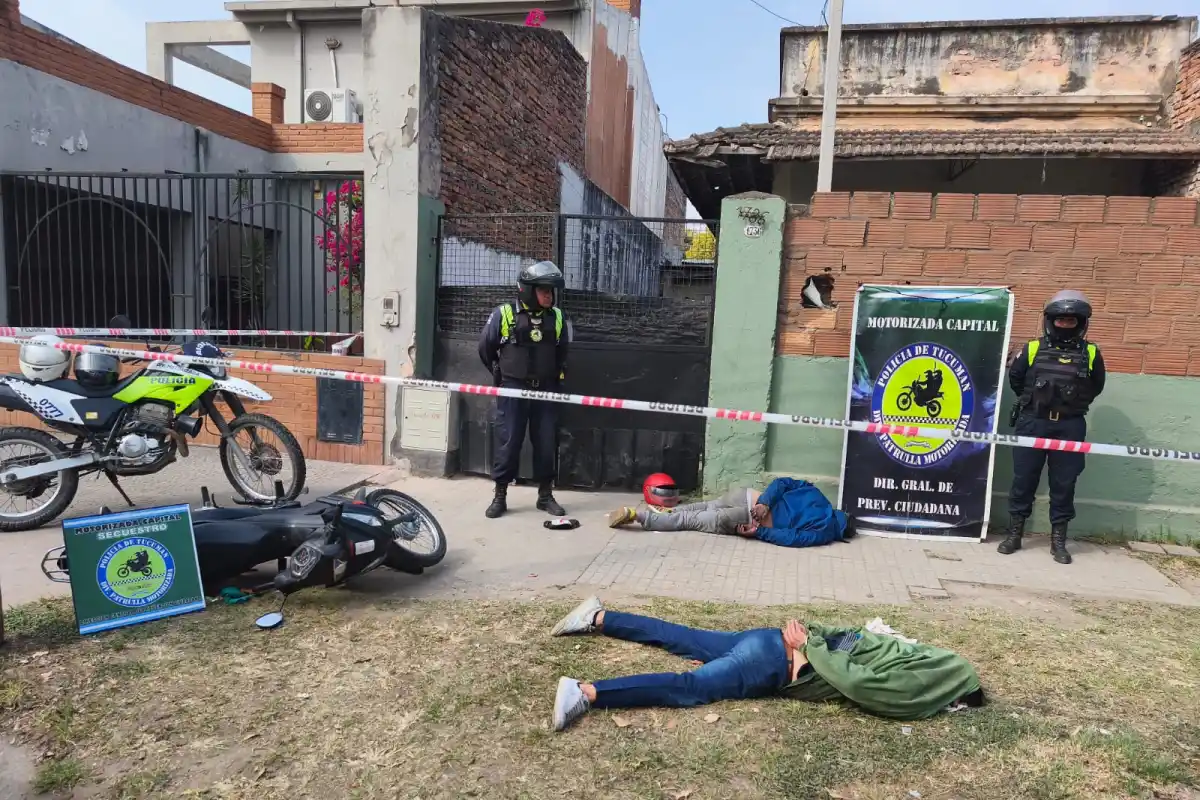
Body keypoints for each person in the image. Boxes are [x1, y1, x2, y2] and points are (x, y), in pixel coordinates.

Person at [547, 596, 985, 732]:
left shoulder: (920, 654)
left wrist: (809, 637)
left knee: (682, 636)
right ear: (958, 691)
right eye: (959, 703)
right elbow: (865, 687)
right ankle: (585, 692)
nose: (953, 708)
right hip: (771, 663)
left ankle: (597, 616)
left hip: (769, 642)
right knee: (689, 687)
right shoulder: (926, 683)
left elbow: (854, 635)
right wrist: (809, 648)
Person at [999, 289, 1106, 565]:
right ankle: (1014, 534)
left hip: (1070, 426)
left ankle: (1058, 541)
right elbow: (1016, 379)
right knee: (1024, 479)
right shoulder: (1032, 348)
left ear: (1081, 323)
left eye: (1071, 320)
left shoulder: (1091, 352)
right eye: (1061, 320)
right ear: (1051, 321)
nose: (1065, 324)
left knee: (1064, 483)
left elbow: (1096, 386)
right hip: (1033, 422)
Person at [477, 260, 570, 519]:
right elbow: (485, 348)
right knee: (508, 442)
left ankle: (545, 496)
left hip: (546, 391)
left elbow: (563, 352)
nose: (549, 295)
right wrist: (499, 374)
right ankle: (500, 495)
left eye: (551, 291)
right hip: (513, 389)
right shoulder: (504, 314)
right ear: (527, 290)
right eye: (544, 290)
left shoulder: (557, 317)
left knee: (546, 442)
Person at [606, 476, 853, 548]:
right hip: (749, 520)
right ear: (840, 532)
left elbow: (782, 483)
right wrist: (759, 533)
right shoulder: (825, 531)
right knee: (691, 520)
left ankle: (660, 512)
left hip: (748, 497)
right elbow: (793, 538)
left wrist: (765, 502)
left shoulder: (818, 495)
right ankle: (638, 516)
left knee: (702, 506)